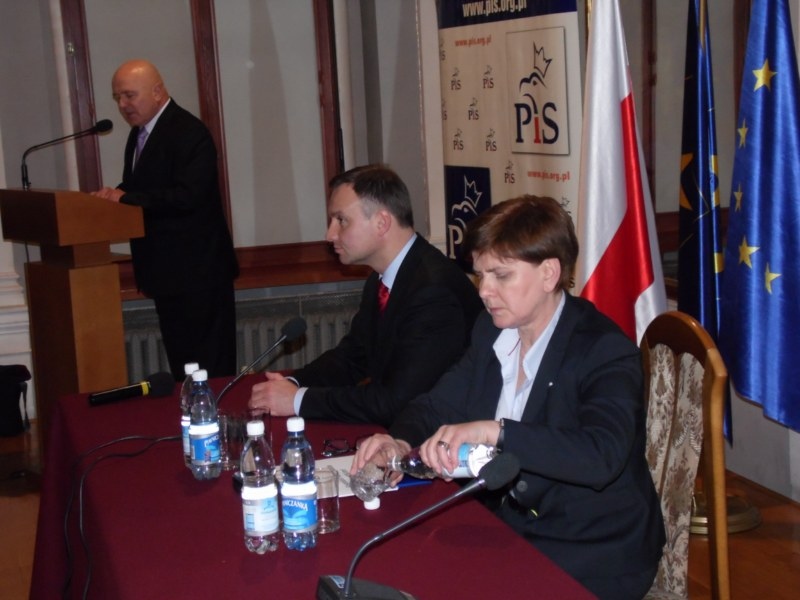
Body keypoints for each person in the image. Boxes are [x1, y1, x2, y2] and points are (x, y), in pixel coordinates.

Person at [351, 195, 664, 599]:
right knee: (408, 567)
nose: (484, 291)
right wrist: (398, 440)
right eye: (480, 275)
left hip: (595, 547)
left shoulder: (602, 348)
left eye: (501, 275)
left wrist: (497, 432)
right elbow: (437, 404)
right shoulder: (492, 331)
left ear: (549, 273)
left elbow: (601, 456)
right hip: (517, 528)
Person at [248, 164, 483, 428]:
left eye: (341, 220)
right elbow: (354, 356)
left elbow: (397, 402)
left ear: (382, 223)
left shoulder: (434, 291)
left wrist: (297, 401)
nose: (329, 235)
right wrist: (293, 383)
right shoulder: (382, 278)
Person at [93, 59, 239, 380]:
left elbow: (188, 196)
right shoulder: (140, 134)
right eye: (117, 97)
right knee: (183, 368)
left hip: (198, 274)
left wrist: (125, 198)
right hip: (166, 274)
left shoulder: (189, 132)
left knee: (209, 370)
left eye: (129, 95)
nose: (122, 105)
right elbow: (141, 187)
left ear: (158, 92)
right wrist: (113, 196)